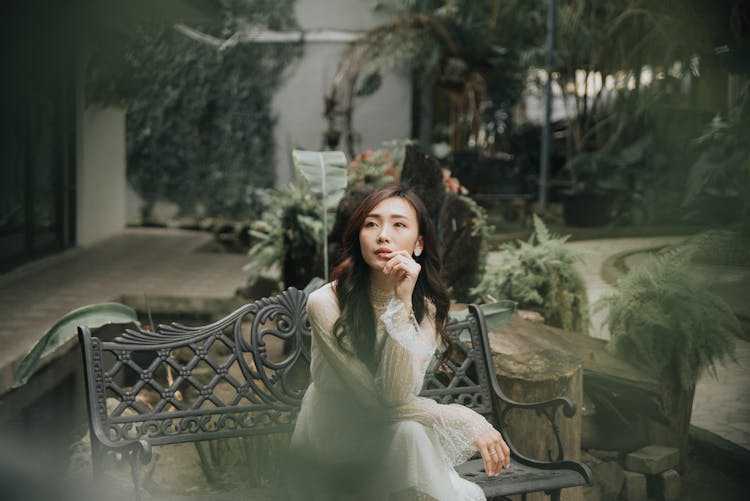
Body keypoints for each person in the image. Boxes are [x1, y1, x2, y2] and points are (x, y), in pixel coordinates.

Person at [290, 186, 509, 500]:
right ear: (358, 238)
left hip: (394, 429)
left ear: (419, 244)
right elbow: (374, 402)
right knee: (409, 435)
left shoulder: (428, 309)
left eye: (399, 225)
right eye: (371, 224)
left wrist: (401, 303)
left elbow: (394, 394)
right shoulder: (325, 302)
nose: (383, 235)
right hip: (335, 435)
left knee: (409, 434)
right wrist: (462, 417)